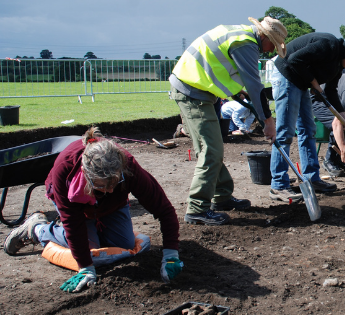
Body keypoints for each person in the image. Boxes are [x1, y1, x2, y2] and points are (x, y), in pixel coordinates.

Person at [3, 127, 182, 293]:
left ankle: (97, 230)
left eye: (114, 183)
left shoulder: (128, 167)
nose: (110, 190)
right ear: (85, 172)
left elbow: (164, 209)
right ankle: (37, 229)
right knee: (92, 253)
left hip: (112, 206)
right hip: (78, 207)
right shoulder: (64, 170)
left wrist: (171, 255)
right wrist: (85, 268)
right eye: (102, 186)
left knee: (125, 246)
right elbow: (73, 223)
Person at [168, 17, 287, 224]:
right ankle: (197, 209)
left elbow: (217, 65)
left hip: (198, 89)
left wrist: (234, 92)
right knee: (211, 150)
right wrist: (268, 121)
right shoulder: (246, 43)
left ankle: (221, 196)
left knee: (211, 148)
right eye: (272, 45)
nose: (269, 51)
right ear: (265, 36)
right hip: (192, 92)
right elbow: (255, 86)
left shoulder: (240, 34)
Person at [268, 32, 345, 202]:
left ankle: (312, 178)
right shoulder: (329, 45)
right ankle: (278, 185)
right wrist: (315, 83)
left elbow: (331, 91)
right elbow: (294, 59)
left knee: (309, 131)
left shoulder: (338, 65)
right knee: (285, 133)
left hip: (301, 83)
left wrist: (344, 117)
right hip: (287, 76)